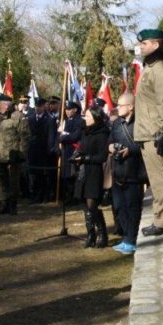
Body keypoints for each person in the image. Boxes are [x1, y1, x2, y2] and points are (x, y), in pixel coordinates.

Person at [134, 28, 163, 236]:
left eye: (144, 43)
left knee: (161, 177)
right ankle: (161, 217)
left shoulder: (161, 70)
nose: (141, 47)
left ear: (156, 45)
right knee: (156, 178)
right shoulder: (152, 68)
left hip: (155, 132)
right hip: (148, 131)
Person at [109, 92, 145, 254]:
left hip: (134, 172)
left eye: (121, 105)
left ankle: (131, 240)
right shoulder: (116, 123)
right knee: (118, 206)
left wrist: (129, 150)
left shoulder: (141, 123)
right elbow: (109, 141)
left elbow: (145, 145)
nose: (118, 108)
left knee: (132, 207)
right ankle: (126, 237)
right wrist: (110, 147)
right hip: (117, 171)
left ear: (131, 107)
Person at [72, 104, 111, 248]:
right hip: (83, 172)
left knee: (92, 204)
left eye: (88, 116)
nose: (85, 118)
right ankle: (90, 235)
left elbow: (102, 156)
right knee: (84, 205)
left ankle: (102, 234)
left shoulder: (103, 133)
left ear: (95, 117)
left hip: (94, 172)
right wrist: (77, 156)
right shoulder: (85, 131)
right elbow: (82, 148)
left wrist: (86, 158)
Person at [0, 93, 29, 214]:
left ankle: (13, 205)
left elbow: (26, 136)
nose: (3, 106)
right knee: (1, 182)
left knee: (13, 182)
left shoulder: (18, 116)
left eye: (6, 104)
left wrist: (22, 153)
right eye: (1, 104)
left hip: (14, 155)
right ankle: (3, 204)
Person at [57, 101, 84, 206]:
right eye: (66, 109)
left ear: (75, 110)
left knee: (73, 175)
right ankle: (68, 196)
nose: (67, 111)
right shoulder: (66, 121)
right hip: (65, 150)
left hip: (74, 151)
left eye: (69, 109)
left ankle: (74, 197)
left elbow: (75, 137)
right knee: (66, 175)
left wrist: (63, 138)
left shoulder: (80, 121)